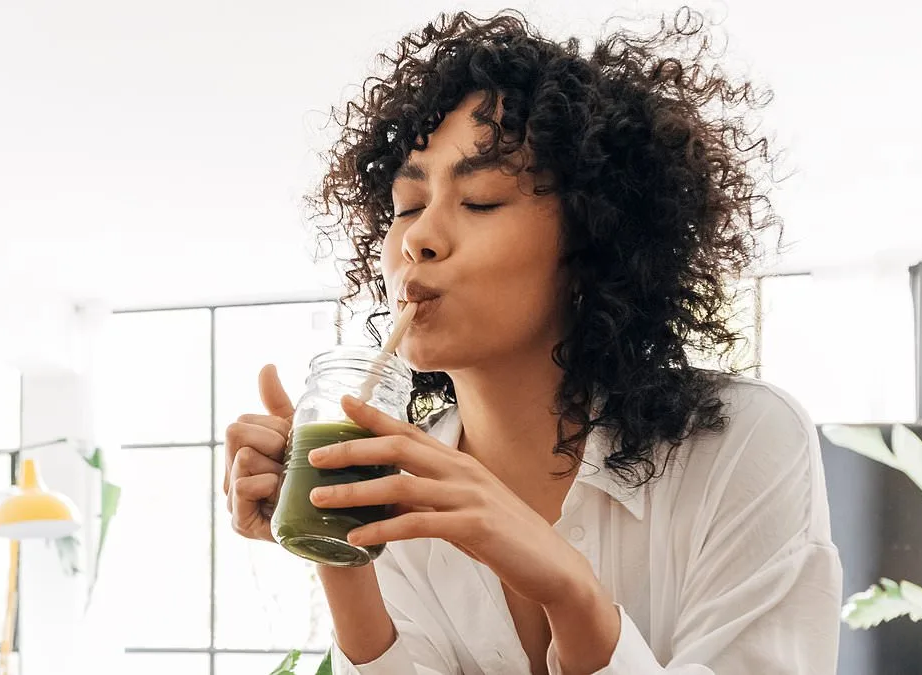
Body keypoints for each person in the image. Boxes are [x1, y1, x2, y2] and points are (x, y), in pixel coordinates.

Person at [224, 8, 842, 675]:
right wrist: (332, 534)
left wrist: (572, 597)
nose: (417, 238)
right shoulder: (393, 476)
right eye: (407, 206)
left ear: (590, 242)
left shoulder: (743, 441)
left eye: (481, 200)